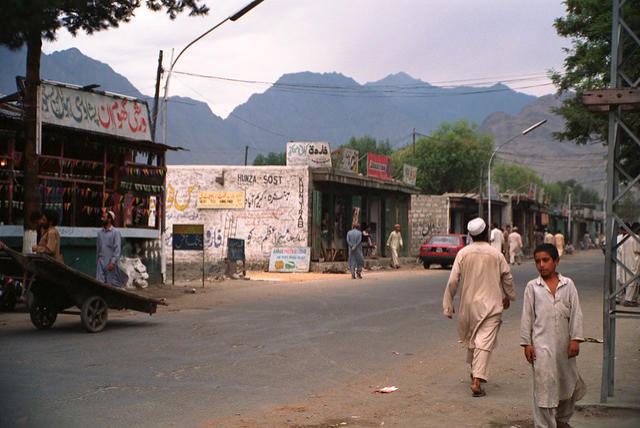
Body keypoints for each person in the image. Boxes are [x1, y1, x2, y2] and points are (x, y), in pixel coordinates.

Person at [443, 217, 515, 397]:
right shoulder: (496, 254)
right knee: (484, 342)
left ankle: (475, 369)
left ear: (470, 235)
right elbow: (507, 277)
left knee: (474, 339)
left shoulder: (463, 253)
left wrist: (448, 303)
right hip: (491, 304)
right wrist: (509, 296)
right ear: (486, 234)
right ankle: (477, 380)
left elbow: (453, 280)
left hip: (468, 305)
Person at [520, 243, 586, 428]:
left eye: (546, 260)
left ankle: (562, 420)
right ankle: (544, 425)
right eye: (537, 261)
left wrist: (575, 339)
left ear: (556, 261)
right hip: (541, 347)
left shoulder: (568, 285)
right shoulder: (532, 287)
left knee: (569, 384)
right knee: (544, 388)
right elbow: (527, 317)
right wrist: (527, 344)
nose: (541, 265)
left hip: (565, 347)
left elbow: (576, 314)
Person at [96, 210, 128, 287]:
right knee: (99, 283)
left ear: (109, 219)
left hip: (110, 262)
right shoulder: (100, 233)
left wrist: (113, 262)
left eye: (104, 217)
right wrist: (97, 261)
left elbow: (117, 249)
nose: (102, 219)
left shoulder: (115, 233)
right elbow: (98, 248)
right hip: (100, 261)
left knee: (110, 284)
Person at [619, 224, 640, 307]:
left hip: (626, 261)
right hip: (634, 261)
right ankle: (629, 299)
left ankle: (630, 298)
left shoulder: (625, 238)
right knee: (633, 280)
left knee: (629, 280)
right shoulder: (635, 238)